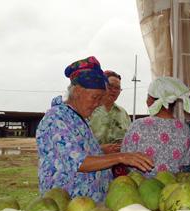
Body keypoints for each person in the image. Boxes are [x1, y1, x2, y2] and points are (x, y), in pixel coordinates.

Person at [36, 56, 153, 202]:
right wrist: (120, 157)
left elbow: (75, 152)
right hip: (68, 205)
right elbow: (78, 162)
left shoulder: (77, 118)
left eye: (101, 99)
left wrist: (102, 150)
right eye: (95, 98)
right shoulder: (56, 119)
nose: (98, 104)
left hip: (89, 206)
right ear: (77, 91)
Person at [121, 77, 190, 177]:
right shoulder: (184, 129)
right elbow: (185, 162)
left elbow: (125, 158)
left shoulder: (138, 126)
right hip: (172, 188)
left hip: (141, 188)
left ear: (151, 100)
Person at [89, 70, 131, 154]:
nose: (114, 91)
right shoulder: (89, 111)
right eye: (110, 86)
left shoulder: (123, 113)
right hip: (94, 162)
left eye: (117, 88)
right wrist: (100, 149)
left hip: (120, 162)